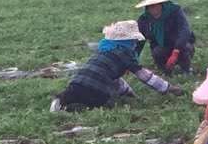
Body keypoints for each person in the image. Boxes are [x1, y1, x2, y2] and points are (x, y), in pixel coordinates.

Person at [51, 21, 183, 112]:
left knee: (69, 96)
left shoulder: (103, 51)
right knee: (102, 103)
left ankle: (60, 102)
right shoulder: (126, 54)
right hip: (96, 90)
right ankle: (77, 107)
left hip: (76, 83)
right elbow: (145, 76)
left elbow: (113, 78)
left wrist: (129, 92)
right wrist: (168, 88)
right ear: (129, 41)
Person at [135, 0, 196, 75]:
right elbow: (139, 40)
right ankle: (165, 70)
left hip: (179, 45)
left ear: (162, 4)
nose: (152, 8)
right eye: (149, 6)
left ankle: (186, 69)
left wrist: (175, 52)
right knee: (157, 52)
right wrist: (133, 60)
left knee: (185, 47)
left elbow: (185, 30)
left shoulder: (175, 11)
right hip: (162, 47)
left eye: (155, 5)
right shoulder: (144, 19)